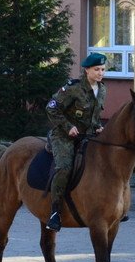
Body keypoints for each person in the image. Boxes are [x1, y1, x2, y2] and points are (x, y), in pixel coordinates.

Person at [44, 52, 107, 231]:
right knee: (64, 167)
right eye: (97, 69)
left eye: (103, 69)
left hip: (88, 136)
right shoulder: (73, 88)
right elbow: (51, 108)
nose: (100, 73)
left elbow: (94, 117)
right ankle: (55, 212)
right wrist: (68, 127)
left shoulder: (102, 89)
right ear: (87, 70)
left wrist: (98, 127)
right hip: (64, 135)